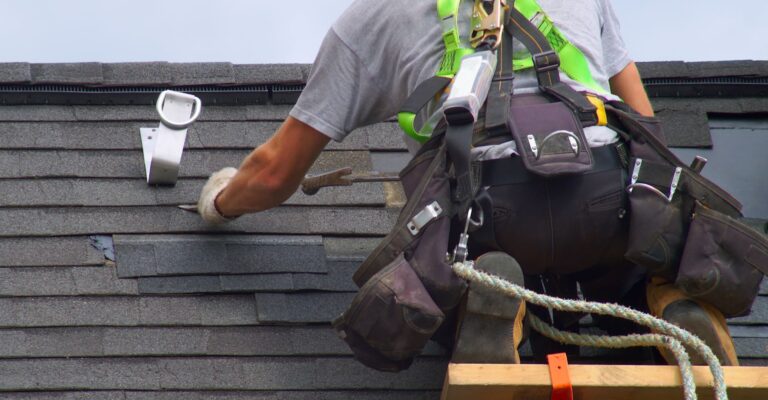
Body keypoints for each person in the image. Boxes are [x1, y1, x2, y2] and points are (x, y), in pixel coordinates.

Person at [196, 0, 738, 366]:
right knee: (638, 242)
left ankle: (492, 304)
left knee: (447, 253)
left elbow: (274, 172)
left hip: (490, 217)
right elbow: (647, 130)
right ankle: (664, 300)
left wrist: (219, 202)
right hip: (610, 203)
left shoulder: (373, 18)